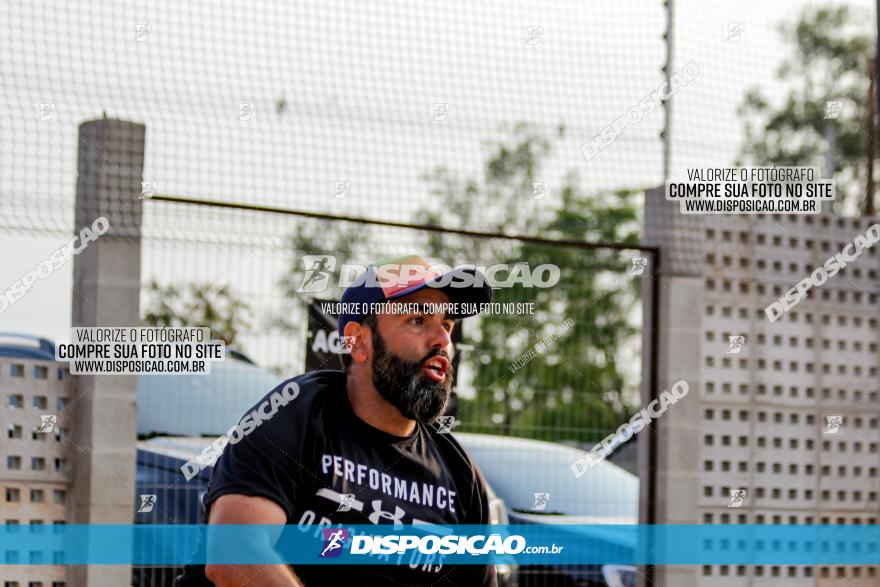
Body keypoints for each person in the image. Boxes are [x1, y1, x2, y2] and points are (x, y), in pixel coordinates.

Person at [175, 255, 498, 586]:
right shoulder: (297, 414)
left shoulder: (459, 475)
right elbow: (235, 555)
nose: (443, 341)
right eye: (417, 320)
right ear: (358, 342)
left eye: (446, 325)